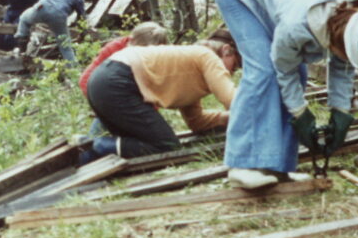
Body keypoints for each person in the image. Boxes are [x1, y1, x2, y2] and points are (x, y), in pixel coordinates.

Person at [212, 0, 358, 189]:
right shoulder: (297, 25)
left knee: (298, 72)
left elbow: (343, 67)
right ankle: (242, 164)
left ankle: (279, 168)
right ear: (335, 40)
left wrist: (341, 111)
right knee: (264, 70)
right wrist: (301, 113)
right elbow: (282, 68)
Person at [82, 31, 241, 162]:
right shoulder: (206, 56)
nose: (233, 72)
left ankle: (82, 155)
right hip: (118, 81)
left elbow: (197, 121)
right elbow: (232, 100)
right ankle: (95, 144)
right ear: (226, 50)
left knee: (137, 144)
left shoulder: (191, 66)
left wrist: (227, 118)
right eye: (236, 64)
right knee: (166, 145)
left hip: (103, 81)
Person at [78, 21, 168, 139]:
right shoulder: (114, 48)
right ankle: (85, 144)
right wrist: (104, 106)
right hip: (112, 99)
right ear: (132, 39)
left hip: (135, 100)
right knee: (94, 141)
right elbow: (85, 80)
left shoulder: (157, 56)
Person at [15, 0, 88, 64]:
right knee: (65, 46)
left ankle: (21, 48)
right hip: (58, 15)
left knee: (24, 18)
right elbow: (82, 16)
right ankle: (73, 69)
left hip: (41, 8)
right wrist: (83, 33)